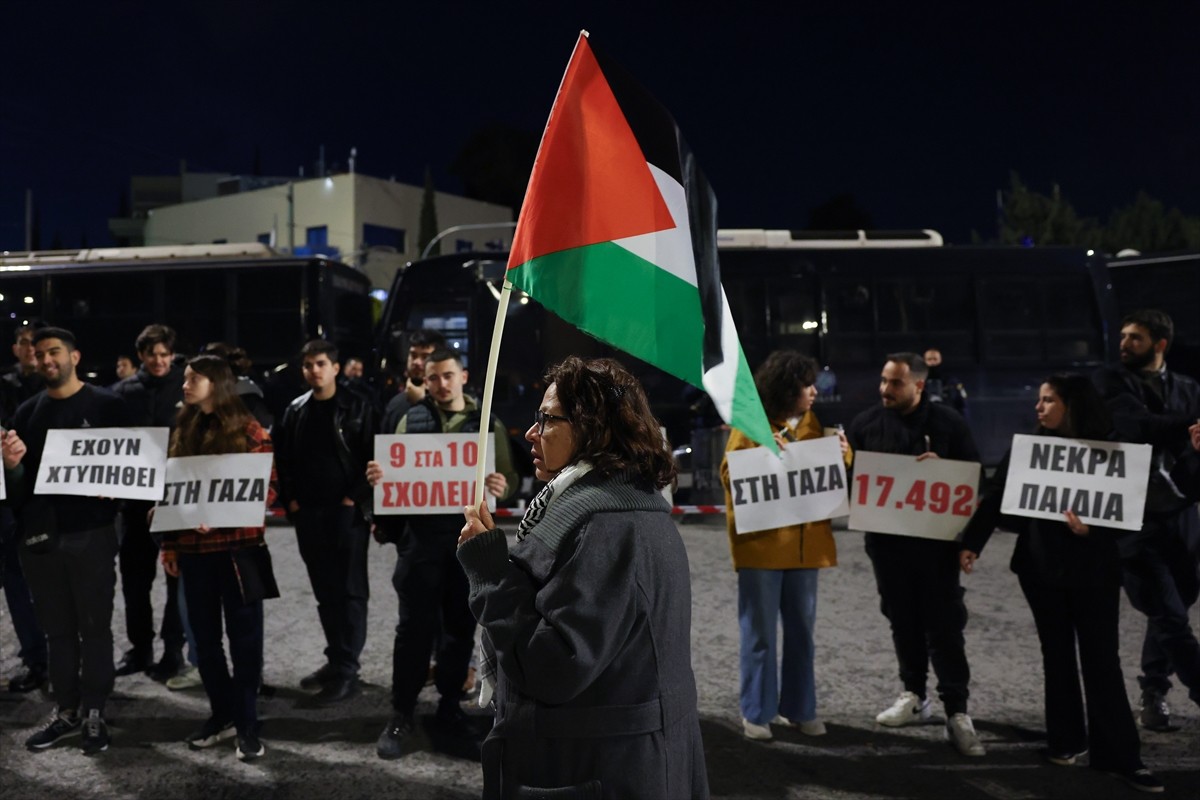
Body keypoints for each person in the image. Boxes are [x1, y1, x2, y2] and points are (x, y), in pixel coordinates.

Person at [457, 356, 709, 799]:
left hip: (600, 768)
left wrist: (491, 571)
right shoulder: (616, 503)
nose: (532, 432)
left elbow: (554, 666)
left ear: (595, 427)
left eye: (547, 419)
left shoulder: (606, 526)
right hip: (612, 759)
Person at [959, 374, 1163, 794]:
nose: (1039, 407)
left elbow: (1135, 516)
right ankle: (1066, 741)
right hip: (1040, 571)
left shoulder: (1111, 453)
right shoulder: (1030, 449)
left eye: (1049, 400)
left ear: (1073, 406)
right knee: (1056, 655)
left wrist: (1095, 531)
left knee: (1101, 660)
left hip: (1094, 572)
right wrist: (972, 544)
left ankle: (1121, 757)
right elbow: (996, 497)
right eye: (1040, 400)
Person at [366, 348, 516, 761]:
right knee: (412, 631)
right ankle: (402, 712)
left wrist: (504, 485)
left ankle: (449, 708)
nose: (441, 384)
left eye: (448, 375)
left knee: (458, 630)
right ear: (425, 380)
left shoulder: (486, 423)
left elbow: (511, 478)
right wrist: (378, 478)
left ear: (463, 376)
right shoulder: (406, 420)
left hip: (465, 544)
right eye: (433, 378)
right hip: (419, 545)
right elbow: (390, 479)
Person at [845, 352, 985, 756]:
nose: (885, 389)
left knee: (944, 627)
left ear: (919, 385)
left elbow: (974, 480)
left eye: (895, 383)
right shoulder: (865, 425)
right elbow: (851, 483)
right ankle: (914, 696)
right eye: (884, 381)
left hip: (937, 550)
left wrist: (946, 470)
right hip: (886, 548)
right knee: (902, 621)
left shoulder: (950, 424)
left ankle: (957, 712)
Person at [3, 326, 132, 755]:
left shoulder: (110, 406)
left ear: (75, 357)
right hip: (41, 540)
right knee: (57, 631)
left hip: (92, 534)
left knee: (94, 628)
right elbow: (18, 494)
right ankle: (67, 710)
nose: (45, 360)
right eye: (39, 354)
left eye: (54, 352)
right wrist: (13, 467)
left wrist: (118, 488)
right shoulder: (26, 413)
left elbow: (137, 472)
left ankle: (94, 711)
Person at [719, 350, 850, 741]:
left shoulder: (813, 423)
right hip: (762, 548)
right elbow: (729, 475)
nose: (813, 391)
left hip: (804, 549)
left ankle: (800, 709)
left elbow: (824, 473)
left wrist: (845, 455)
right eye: (806, 385)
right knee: (759, 634)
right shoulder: (751, 424)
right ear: (786, 389)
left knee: (801, 635)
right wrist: (760, 453)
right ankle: (757, 713)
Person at [159, 354, 277, 762]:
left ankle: (246, 722)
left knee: (245, 641)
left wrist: (221, 512)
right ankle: (221, 713)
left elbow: (269, 491)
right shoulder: (182, 430)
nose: (185, 385)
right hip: (193, 555)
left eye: (195, 378)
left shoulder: (250, 431)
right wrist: (169, 545)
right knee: (204, 642)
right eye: (186, 378)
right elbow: (169, 492)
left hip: (237, 553)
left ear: (219, 384)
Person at [1092, 309, 1200, 731]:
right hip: (1133, 517)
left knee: (1177, 606)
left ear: (1160, 344)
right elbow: (1137, 426)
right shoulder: (1111, 382)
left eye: (1134, 338)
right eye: (1122, 336)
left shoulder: (1190, 388)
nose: (1123, 344)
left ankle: (1153, 688)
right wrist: (1190, 428)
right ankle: (1169, 689)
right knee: (1167, 612)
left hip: (1182, 515)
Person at [275, 340, 376, 704]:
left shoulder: (359, 407)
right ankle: (336, 660)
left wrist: (355, 499)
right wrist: (293, 502)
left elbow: (375, 457)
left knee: (350, 591)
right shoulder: (295, 411)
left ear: (335, 367)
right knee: (325, 591)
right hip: (310, 514)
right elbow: (283, 460)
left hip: (345, 513)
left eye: (320, 363)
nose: (314, 370)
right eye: (307, 365)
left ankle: (347, 670)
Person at [111, 324, 188, 681]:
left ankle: (173, 652)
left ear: (172, 355)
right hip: (136, 502)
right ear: (140, 356)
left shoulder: (187, 387)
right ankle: (139, 649)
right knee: (135, 580)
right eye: (152, 354)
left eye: (164, 354)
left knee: (178, 581)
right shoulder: (121, 393)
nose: (159, 361)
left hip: (177, 499)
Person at [0, 325, 48, 695]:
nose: (31, 349)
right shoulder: (4, 385)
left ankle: (60, 657)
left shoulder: (59, 389)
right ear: (15, 348)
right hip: (9, 495)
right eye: (25, 342)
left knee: (56, 582)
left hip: (50, 497)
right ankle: (35, 657)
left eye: (38, 343)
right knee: (17, 582)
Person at [381, 329, 446, 435]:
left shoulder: (451, 400)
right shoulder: (396, 404)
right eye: (413, 355)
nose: (416, 362)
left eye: (425, 357)